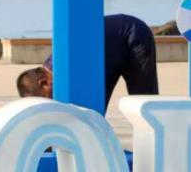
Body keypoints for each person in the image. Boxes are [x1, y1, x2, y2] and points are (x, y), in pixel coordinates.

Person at [16, 13, 159, 108]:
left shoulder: (66, 67)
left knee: (143, 99)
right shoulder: (54, 69)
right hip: (109, 51)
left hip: (133, 34)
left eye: (48, 98)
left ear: (44, 83)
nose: (53, 101)